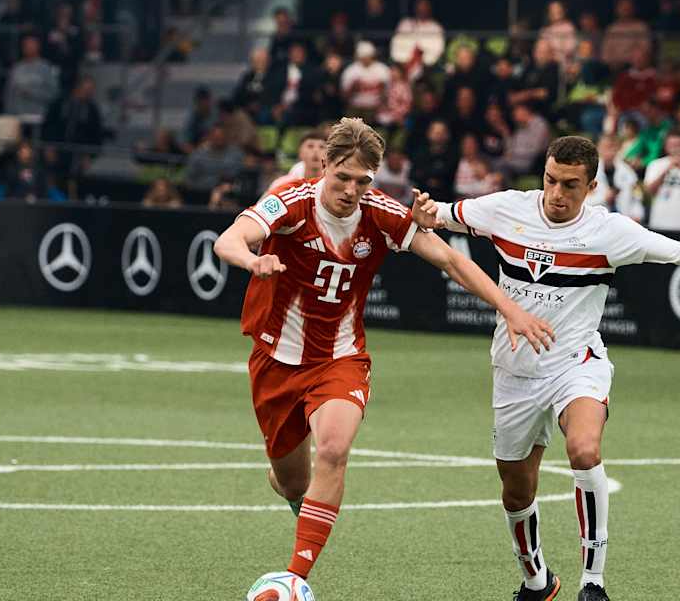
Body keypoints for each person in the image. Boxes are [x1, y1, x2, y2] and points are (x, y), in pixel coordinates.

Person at [212, 118, 554, 597]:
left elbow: (451, 260)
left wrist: (511, 309)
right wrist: (252, 260)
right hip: (275, 362)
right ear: (323, 166)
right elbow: (228, 238)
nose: (352, 191)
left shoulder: (381, 213)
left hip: (341, 360)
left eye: (363, 182)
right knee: (292, 482)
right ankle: (301, 496)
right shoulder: (289, 200)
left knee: (333, 447)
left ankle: (294, 578)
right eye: (342, 178)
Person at [417, 135, 680, 601]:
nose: (557, 193)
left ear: (591, 186)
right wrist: (425, 211)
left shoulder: (608, 231)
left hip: (577, 363)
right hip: (514, 370)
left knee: (585, 450)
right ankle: (537, 580)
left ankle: (593, 582)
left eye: (570, 185)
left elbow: (673, 248)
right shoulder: (507, 208)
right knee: (516, 490)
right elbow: (443, 215)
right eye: (551, 181)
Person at [585, 134, 643, 221]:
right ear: (598, 149)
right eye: (606, 147)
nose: (609, 151)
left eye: (613, 147)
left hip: (623, 221)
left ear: (618, 149)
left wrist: (637, 215)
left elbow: (637, 197)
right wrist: (604, 198)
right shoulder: (588, 172)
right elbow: (582, 203)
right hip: (596, 222)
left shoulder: (628, 172)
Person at [5, 35, 59, 123]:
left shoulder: (45, 68)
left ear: (38, 47)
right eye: (26, 45)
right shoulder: (17, 68)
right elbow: (9, 94)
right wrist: (8, 115)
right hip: (17, 117)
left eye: (32, 45)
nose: (29, 48)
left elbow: (53, 93)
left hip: (39, 117)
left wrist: (32, 93)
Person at [340, 41, 390, 122]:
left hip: (375, 107)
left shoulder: (382, 69)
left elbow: (388, 93)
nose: (366, 59)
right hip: (355, 107)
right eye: (363, 56)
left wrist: (382, 94)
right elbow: (344, 95)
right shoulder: (351, 70)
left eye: (368, 56)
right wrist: (353, 88)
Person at [390, 0, 445, 67]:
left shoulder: (436, 27)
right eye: (419, 7)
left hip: (427, 66)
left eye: (424, 7)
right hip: (403, 64)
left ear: (429, 9)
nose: (421, 10)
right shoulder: (405, 23)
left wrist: (421, 58)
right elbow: (396, 45)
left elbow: (438, 50)